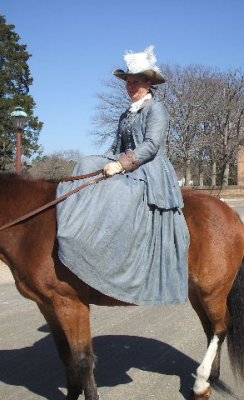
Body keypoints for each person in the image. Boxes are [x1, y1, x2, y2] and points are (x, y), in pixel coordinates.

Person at [56, 46, 189, 306]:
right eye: (127, 83)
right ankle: (74, 232)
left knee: (117, 194)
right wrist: (102, 165)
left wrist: (122, 165)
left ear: (148, 83)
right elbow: (115, 147)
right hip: (125, 163)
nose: (130, 87)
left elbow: (151, 146)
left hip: (149, 169)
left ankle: (117, 253)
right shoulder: (126, 114)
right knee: (85, 163)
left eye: (135, 82)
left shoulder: (157, 110)